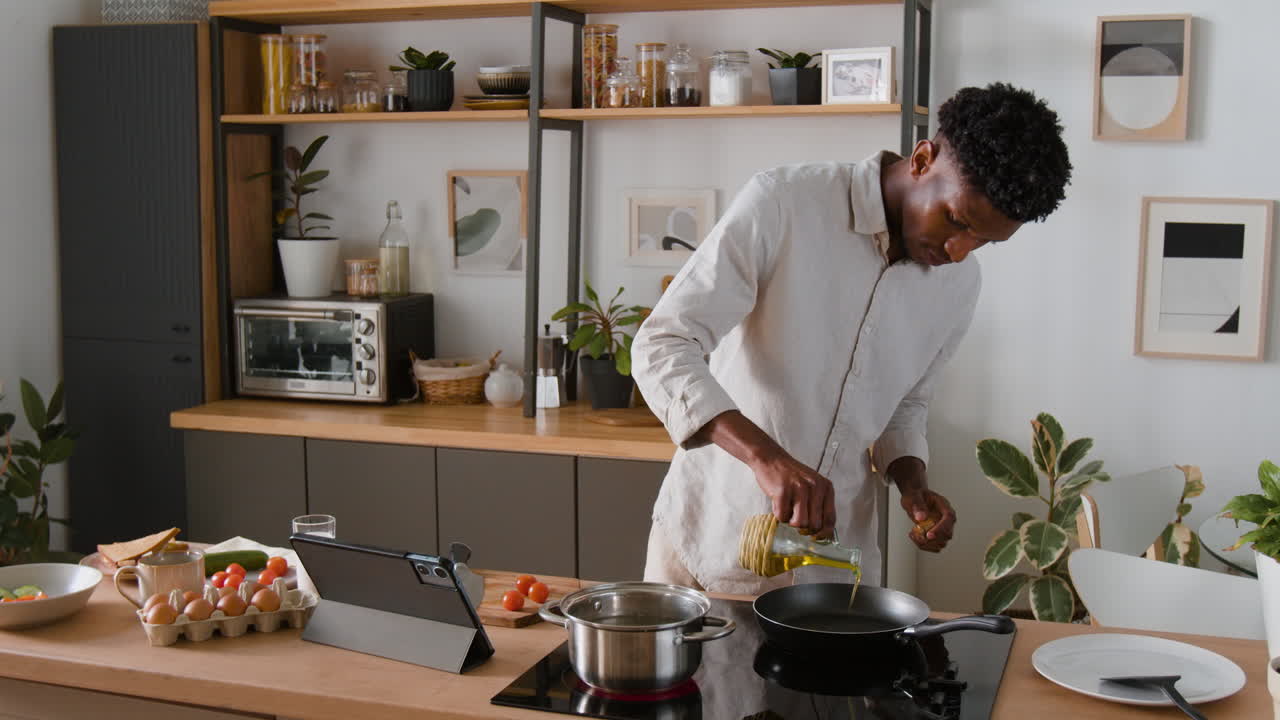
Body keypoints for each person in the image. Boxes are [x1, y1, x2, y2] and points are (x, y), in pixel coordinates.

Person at [631, 82, 1072, 594]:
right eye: (955, 220)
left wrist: (914, 485)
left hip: (833, 565)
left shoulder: (960, 283)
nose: (958, 250)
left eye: (984, 242)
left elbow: (906, 404)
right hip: (713, 542)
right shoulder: (785, 203)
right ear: (923, 159)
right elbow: (663, 344)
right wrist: (766, 458)